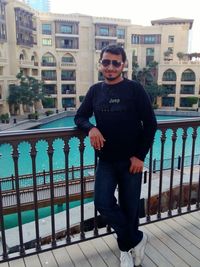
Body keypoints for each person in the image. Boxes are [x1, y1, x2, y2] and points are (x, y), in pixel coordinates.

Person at [74, 45, 157, 267]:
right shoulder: (95, 91)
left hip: (132, 162)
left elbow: (150, 124)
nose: (110, 67)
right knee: (102, 202)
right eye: (106, 62)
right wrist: (91, 128)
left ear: (123, 65)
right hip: (107, 161)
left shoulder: (134, 89)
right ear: (100, 64)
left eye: (116, 63)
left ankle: (125, 250)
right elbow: (80, 117)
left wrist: (140, 156)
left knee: (130, 207)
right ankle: (136, 239)